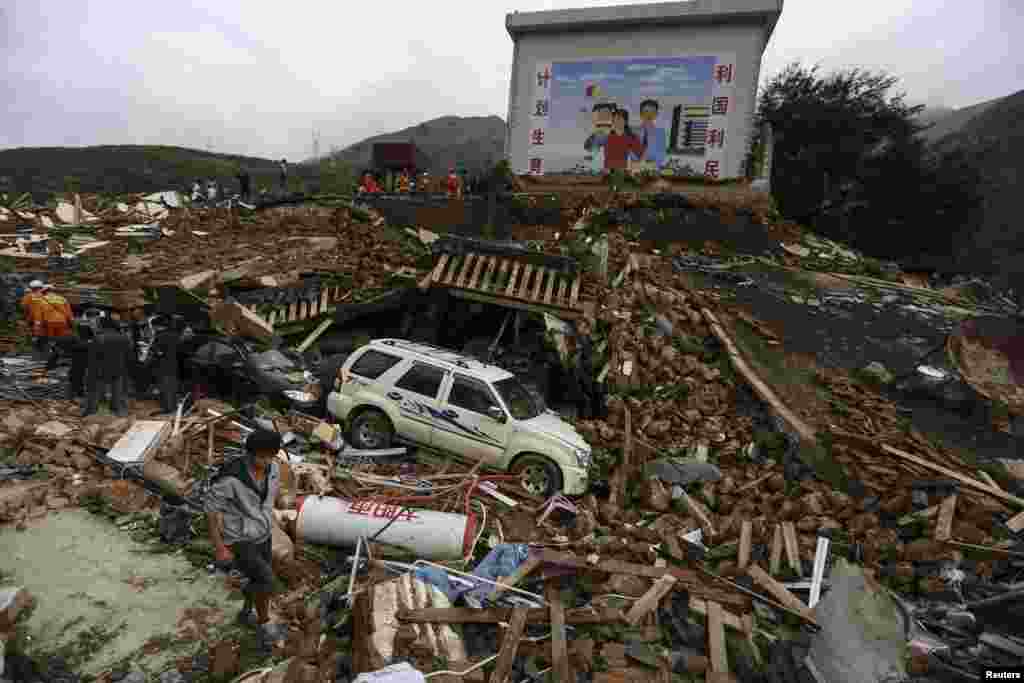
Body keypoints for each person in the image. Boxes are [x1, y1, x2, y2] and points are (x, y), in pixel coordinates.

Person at [205, 429, 288, 645]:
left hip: (263, 533)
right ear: (249, 454)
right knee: (266, 580)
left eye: (271, 455)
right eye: (261, 456)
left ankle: (245, 611)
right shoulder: (230, 478)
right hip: (239, 538)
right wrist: (220, 548)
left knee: (257, 579)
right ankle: (264, 623)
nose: (266, 461)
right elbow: (212, 512)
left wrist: (281, 504)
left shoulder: (273, 469)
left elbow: (272, 495)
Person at [82, 315, 132, 417]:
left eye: (97, 324)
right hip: (119, 368)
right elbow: (128, 354)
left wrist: (89, 371)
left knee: (94, 392)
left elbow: (92, 357)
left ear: (102, 325)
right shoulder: (124, 337)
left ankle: (92, 411)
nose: (95, 326)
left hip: (100, 369)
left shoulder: (98, 338)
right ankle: (118, 411)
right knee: (117, 392)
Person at [151, 316, 185, 414]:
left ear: (156, 326)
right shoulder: (175, 335)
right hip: (174, 363)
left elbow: (158, 352)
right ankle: (174, 406)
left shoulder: (159, 336)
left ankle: (168, 408)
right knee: (173, 385)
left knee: (165, 386)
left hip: (162, 365)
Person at [637, 99, 668, 170]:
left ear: (656, 115)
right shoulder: (633, 132)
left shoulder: (661, 133)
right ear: (640, 114)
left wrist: (647, 164)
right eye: (646, 112)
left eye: (652, 112)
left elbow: (661, 156)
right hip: (635, 168)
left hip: (653, 169)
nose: (649, 115)